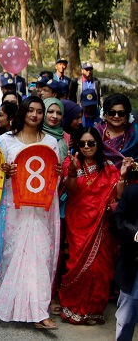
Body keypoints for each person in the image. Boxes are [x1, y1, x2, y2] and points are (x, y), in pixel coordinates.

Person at [0, 96, 61, 329]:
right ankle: (11, 305)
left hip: (40, 209)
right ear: (22, 112)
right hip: (14, 206)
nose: (35, 115)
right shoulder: (5, 140)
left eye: (39, 111)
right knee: (13, 254)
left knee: (39, 255)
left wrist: (59, 172)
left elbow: (53, 177)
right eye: (30, 110)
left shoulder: (51, 142)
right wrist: (6, 171)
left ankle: (40, 311)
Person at [60, 128, 132, 325]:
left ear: (98, 144)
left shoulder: (108, 167)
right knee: (76, 264)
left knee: (98, 267)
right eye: (82, 143)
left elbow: (118, 194)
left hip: (101, 224)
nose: (86, 147)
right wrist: (73, 172)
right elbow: (71, 189)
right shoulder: (71, 162)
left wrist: (123, 175)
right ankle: (74, 308)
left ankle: (93, 311)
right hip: (78, 222)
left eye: (90, 143)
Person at [112, 181, 138, 340]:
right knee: (127, 316)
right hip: (134, 265)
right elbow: (117, 220)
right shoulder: (133, 191)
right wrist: (135, 233)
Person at [97, 93, 138, 167]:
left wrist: (134, 165)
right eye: (112, 113)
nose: (116, 116)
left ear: (127, 115)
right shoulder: (96, 133)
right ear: (105, 114)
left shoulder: (135, 134)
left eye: (121, 113)